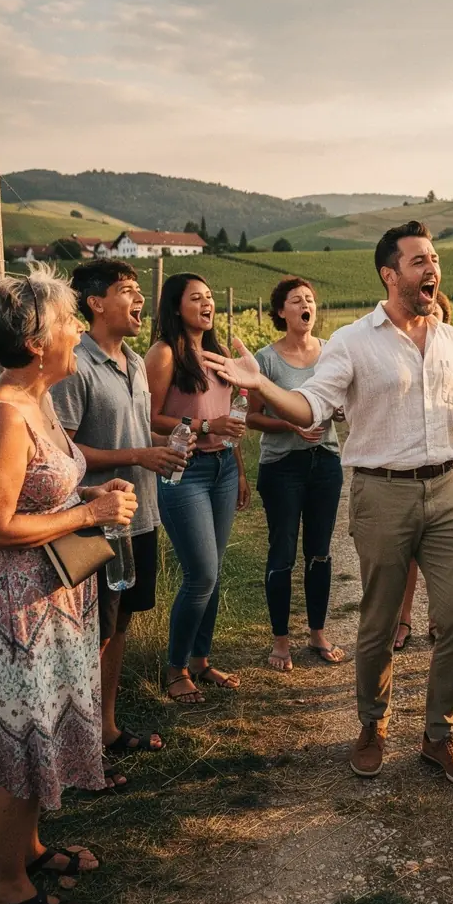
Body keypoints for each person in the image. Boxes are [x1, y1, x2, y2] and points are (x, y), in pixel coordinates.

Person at [201, 221, 453, 788]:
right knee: (379, 621)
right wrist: (264, 386)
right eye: (420, 261)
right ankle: (373, 725)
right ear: (390, 273)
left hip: (447, 489)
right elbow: (311, 407)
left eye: (435, 259)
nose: (433, 269)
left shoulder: (449, 338)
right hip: (381, 491)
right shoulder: (354, 340)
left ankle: (438, 734)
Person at [0, 265, 138, 904]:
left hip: (47, 595)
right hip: (9, 608)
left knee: (40, 734)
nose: (78, 327)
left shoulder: (37, 400)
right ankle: (7, 889)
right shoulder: (2, 414)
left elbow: (39, 491)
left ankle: (28, 852)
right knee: (19, 747)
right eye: (67, 321)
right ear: (34, 342)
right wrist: (89, 516)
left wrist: (84, 499)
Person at [52, 261, 190, 783]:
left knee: (121, 626)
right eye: (127, 291)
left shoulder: (133, 361)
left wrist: (162, 449)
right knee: (94, 634)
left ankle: (105, 730)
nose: (139, 300)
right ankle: (79, 750)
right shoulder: (76, 366)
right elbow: (62, 448)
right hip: (95, 521)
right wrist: (138, 452)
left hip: (139, 517)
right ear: (95, 303)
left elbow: (130, 434)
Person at [145, 273, 251, 705]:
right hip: (184, 470)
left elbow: (231, 418)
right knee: (201, 574)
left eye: (210, 297)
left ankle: (201, 660)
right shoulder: (163, 353)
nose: (207, 304)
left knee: (215, 569)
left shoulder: (217, 352)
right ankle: (175, 668)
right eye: (196, 298)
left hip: (222, 466)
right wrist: (204, 426)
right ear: (175, 307)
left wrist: (239, 468)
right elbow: (150, 418)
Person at [248, 277, 345, 672]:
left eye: (309, 299)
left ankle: (318, 633)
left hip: (325, 462)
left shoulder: (332, 354)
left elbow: (341, 403)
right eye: (296, 300)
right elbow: (253, 415)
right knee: (283, 553)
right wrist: (292, 426)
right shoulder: (265, 360)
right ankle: (281, 641)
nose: (306, 304)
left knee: (320, 553)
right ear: (281, 312)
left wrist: (339, 412)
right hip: (282, 468)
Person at [394, 290, 453, 650]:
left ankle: (439, 618)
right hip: (411, 454)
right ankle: (403, 617)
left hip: (451, 448)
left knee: (445, 544)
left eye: (438, 314)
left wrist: (440, 414)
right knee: (409, 546)